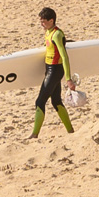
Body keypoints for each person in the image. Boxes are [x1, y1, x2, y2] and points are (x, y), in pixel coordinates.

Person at [32, 7, 77, 139]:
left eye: (43, 21)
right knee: (56, 101)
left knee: (40, 101)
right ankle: (70, 130)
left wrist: (68, 79)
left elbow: (64, 57)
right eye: (40, 21)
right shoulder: (48, 32)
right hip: (49, 69)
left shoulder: (57, 34)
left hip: (55, 70)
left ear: (51, 21)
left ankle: (34, 134)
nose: (41, 24)